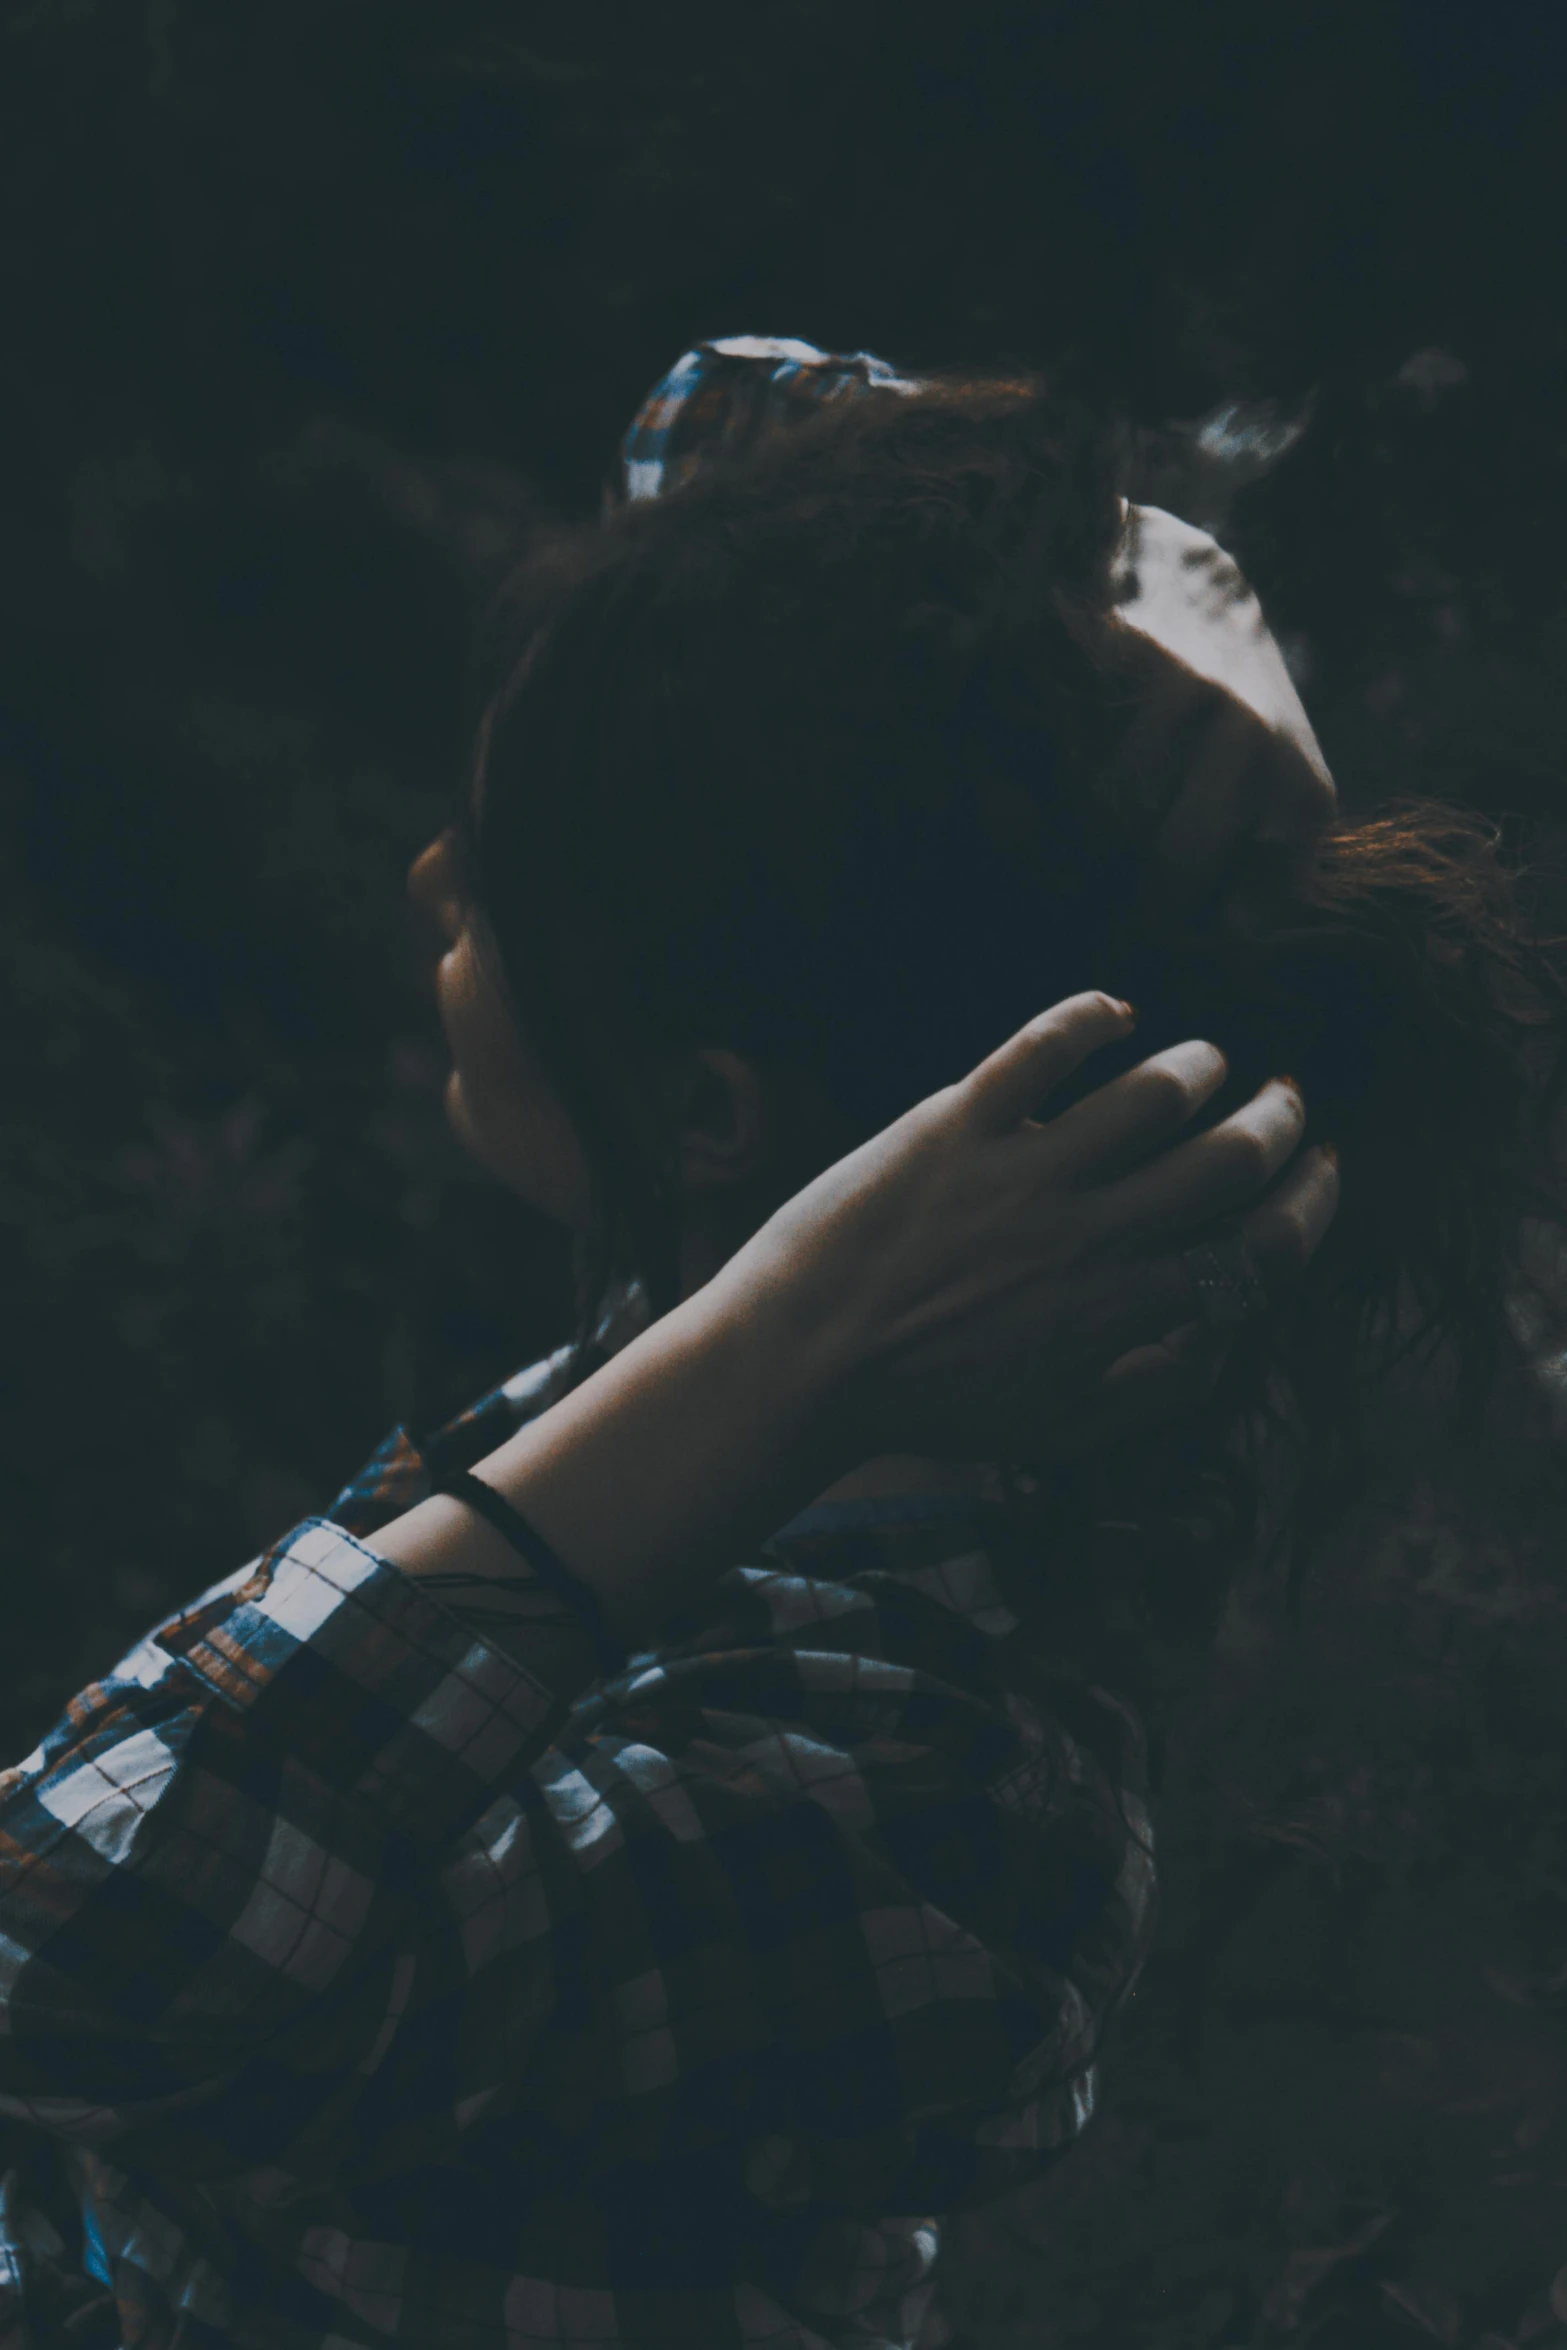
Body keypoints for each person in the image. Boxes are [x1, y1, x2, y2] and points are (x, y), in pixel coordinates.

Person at [0, 349, 1560, 2350]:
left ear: (713, 1111)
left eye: (499, 869)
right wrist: (1148, 563)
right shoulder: (774, 1376)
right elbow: (725, 420)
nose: (432, 883)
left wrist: (792, 1328)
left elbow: (53, 1958)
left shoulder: (905, 1794)